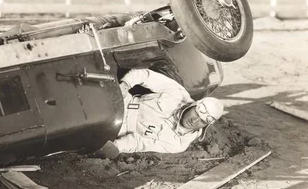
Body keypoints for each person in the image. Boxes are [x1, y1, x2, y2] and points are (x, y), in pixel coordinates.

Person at [96, 68, 224, 159]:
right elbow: (145, 75)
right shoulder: (177, 93)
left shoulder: (178, 144)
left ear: (206, 125)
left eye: (202, 121)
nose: (194, 121)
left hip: (118, 129)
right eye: (196, 114)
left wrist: (116, 146)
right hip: (123, 100)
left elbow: (140, 143)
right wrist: (125, 85)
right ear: (194, 105)